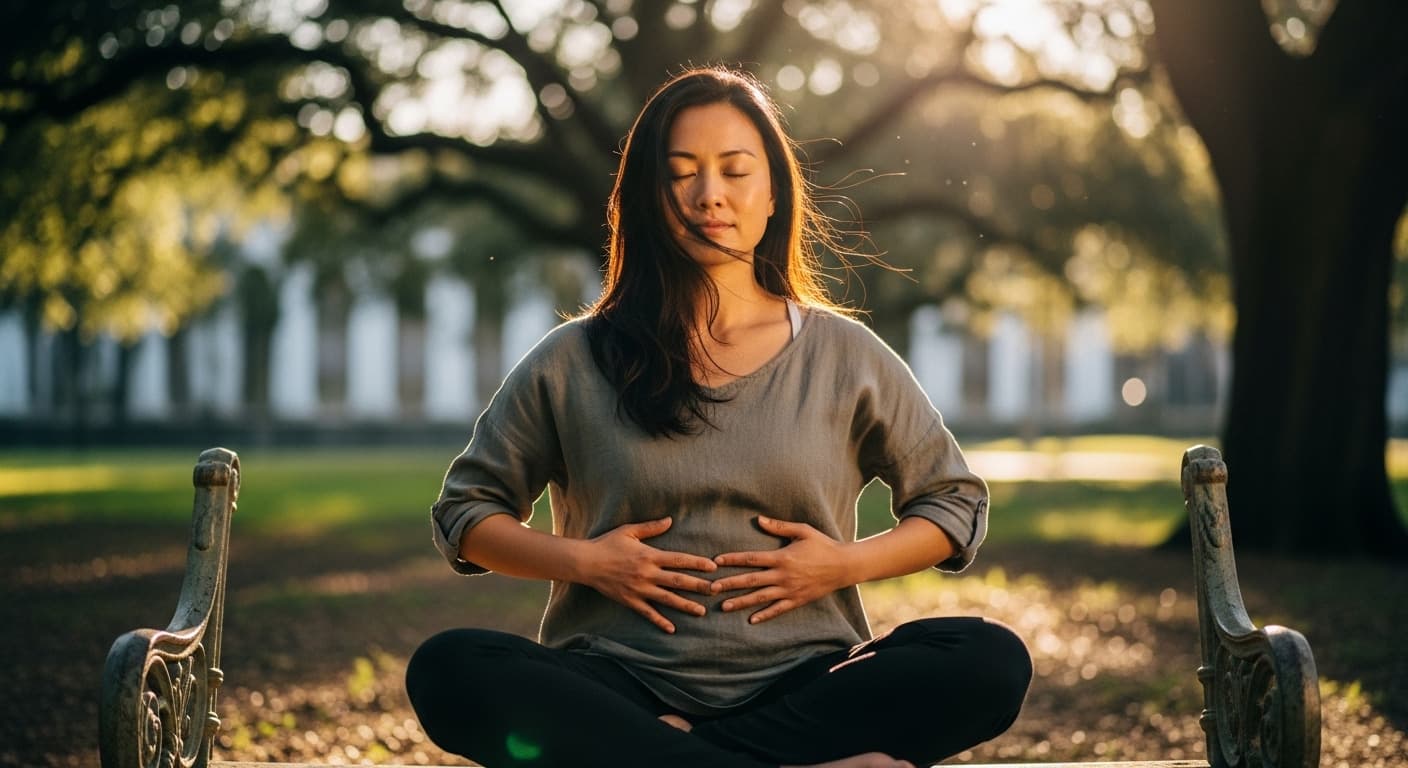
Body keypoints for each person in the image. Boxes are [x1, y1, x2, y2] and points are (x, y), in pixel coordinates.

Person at [405, 66, 1032, 768]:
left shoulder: (845, 354)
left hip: (806, 690)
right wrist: (588, 563)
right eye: (681, 173)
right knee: (449, 669)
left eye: (735, 170)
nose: (709, 196)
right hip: (617, 685)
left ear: (772, 195)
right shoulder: (574, 358)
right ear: (646, 195)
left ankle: (676, 759)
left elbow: (953, 504)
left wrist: (839, 566)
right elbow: (467, 514)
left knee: (989, 659)